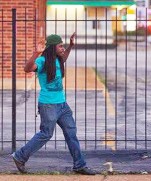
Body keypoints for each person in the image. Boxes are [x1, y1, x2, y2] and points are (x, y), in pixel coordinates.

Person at [11, 33, 96, 175]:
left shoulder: (57, 59)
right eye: (60, 46)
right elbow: (27, 69)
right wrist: (36, 53)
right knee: (46, 134)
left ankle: (79, 165)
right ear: (52, 48)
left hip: (62, 105)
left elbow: (64, 58)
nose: (62, 48)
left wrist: (70, 46)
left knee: (71, 133)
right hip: (48, 104)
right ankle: (20, 156)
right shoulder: (42, 60)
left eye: (63, 46)